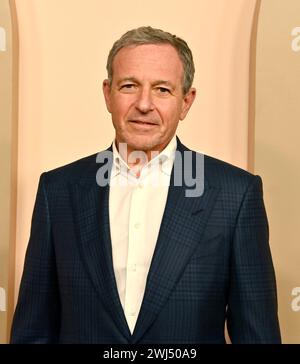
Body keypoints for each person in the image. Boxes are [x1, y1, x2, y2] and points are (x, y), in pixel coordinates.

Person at [10, 26, 281, 344]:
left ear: (186, 101)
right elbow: (33, 332)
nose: (143, 104)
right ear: (108, 94)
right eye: (129, 86)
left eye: (162, 90)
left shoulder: (235, 195)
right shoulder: (57, 191)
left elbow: (257, 336)